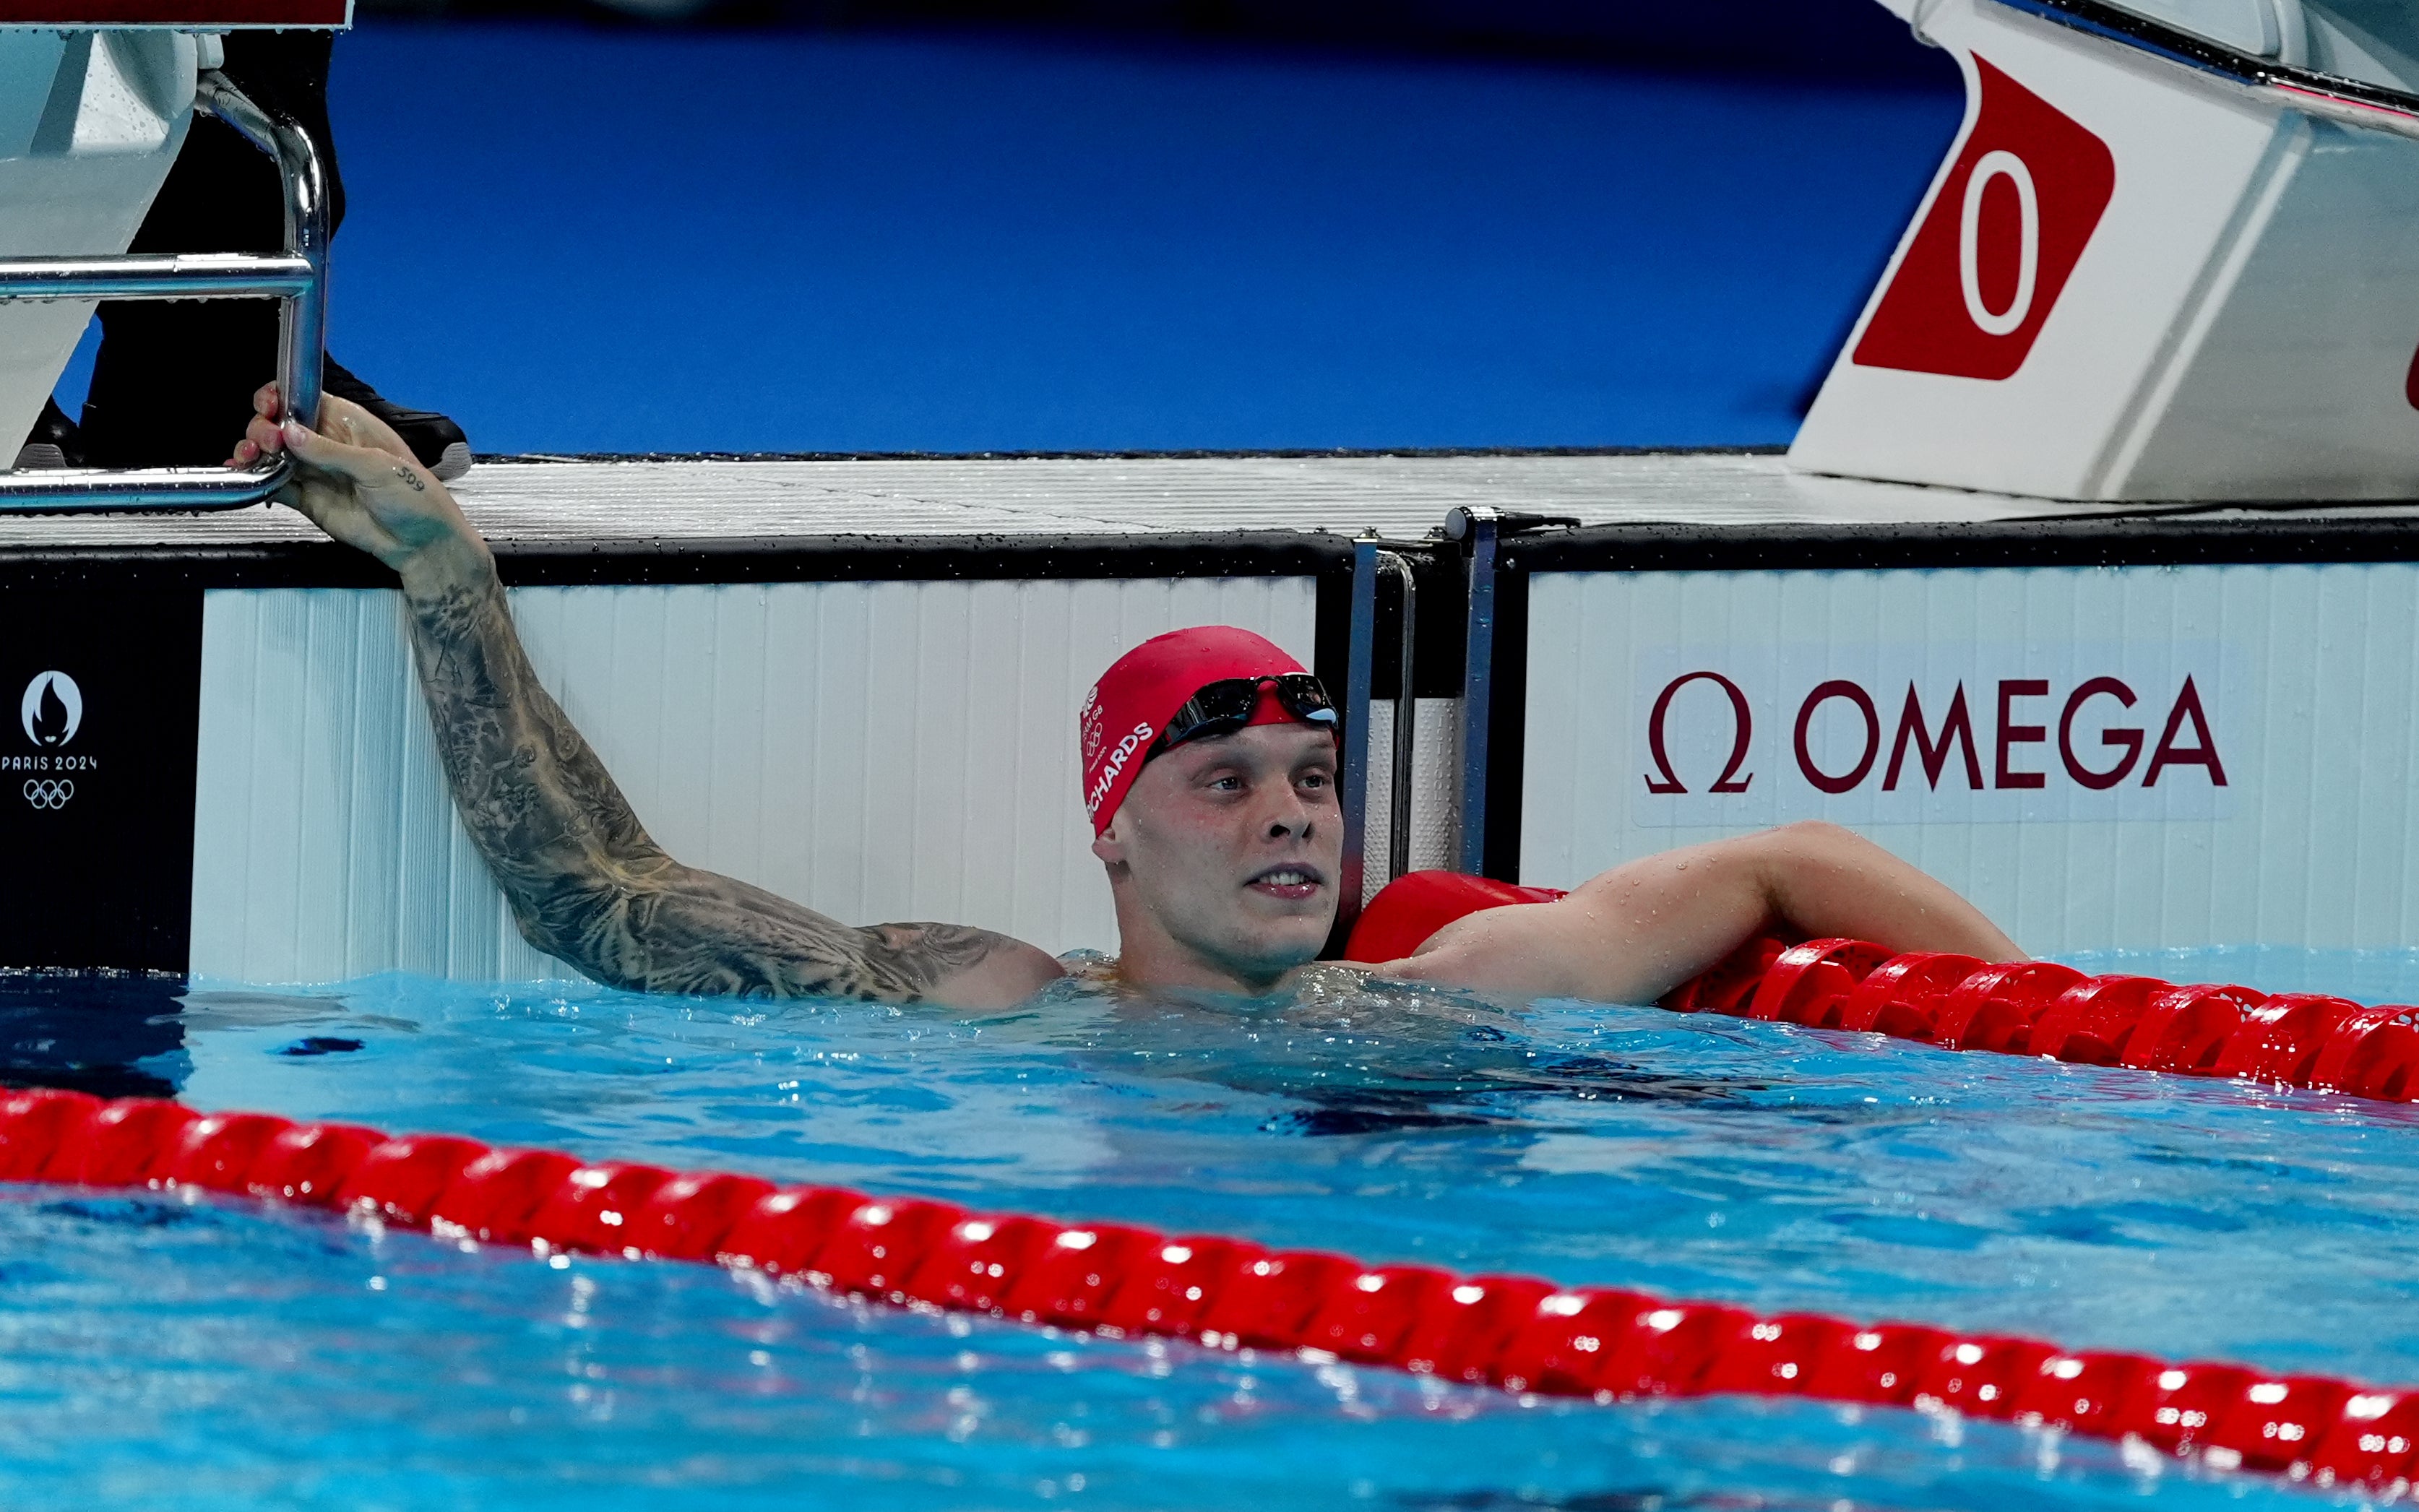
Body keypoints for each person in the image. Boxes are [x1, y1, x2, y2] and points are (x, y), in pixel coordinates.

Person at [230, 384, 2024, 1011]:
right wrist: (448, 574)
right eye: (1228, 779)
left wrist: (2034, 1046)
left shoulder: (1446, 996)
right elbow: (598, 902)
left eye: (1313, 776)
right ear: (1112, 824)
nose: (1294, 815)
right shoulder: (986, 998)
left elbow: (1789, 859)